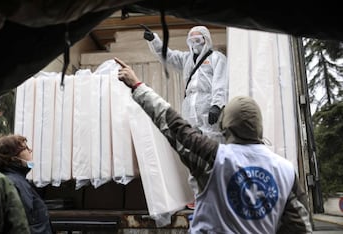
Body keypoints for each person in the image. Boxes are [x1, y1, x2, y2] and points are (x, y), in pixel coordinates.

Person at [114, 57, 313, 233]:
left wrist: (137, 86)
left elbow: (174, 124)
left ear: (225, 127)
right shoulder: (286, 171)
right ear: (259, 128)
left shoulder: (213, 157)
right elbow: (300, 227)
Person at [143, 25, 228, 142]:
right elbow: (168, 55)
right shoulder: (186, 59)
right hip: (189, 106)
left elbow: (221, 82)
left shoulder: (217, 58)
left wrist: (217, 105)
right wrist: (153, 40)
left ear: (206, 39)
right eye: (192, 41)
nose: (195, 43)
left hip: (208, 105)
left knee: (212, 138)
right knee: (190, 139)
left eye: (198, 40)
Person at [0, 134, 53, 234]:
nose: (30, 151)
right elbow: (22, 222)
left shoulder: (16, 179)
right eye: (26, 148)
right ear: (13, 157)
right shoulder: (16, 183)